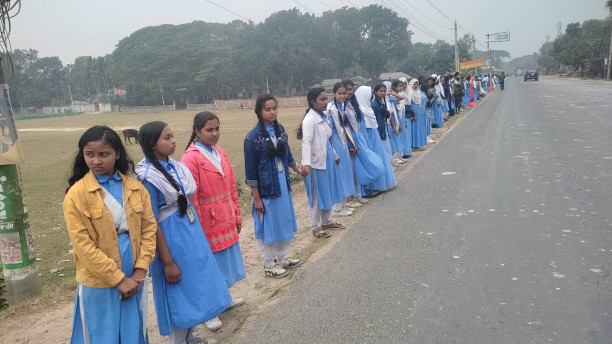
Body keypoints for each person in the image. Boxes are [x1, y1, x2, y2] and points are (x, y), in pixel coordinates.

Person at [135, 121, 230, 344]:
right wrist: (167, 261)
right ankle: (178, 341)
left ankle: (189, 337)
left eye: (172, 136)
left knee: (194, 285)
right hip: (171, 239)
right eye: (166, 138)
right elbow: (151, 223)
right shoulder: (147, 177)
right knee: (177, 291)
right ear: (151, 144)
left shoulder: (174, 166)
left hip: (189, 234)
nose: (173, 141)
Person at [63, 125, 157, 344]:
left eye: (103, 154)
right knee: (102, 335)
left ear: (117, 154)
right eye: (90, 155)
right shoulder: (76, 195)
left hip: (134, 277)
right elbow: (83, 246)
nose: (96, 161)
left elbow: (149, 229)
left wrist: (140, 270)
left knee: (134, 330)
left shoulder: (136, 188)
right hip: (99, 280)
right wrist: (118, 279)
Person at [181, 112, 246, 331]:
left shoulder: (220, 152)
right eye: (210, 130)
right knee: (209, 264)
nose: (215, 134)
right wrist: (197, 227)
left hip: (225, 214)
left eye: (217, 128)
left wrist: (236, 213)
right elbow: (192, 197)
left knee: (225, 261)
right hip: (207, 219)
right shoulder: (190, 158)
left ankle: (224, 299)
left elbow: (231, 186)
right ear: (197, 131)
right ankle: (210, 311)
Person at [244, 94, 304, 278]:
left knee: (284, 221)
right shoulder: (252, 139)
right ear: (259, 112)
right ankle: (269, 264)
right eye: (267, 109)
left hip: (282, 187)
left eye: (274, 108)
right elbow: (251, 173)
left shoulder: (281, 130)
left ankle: (282, 257)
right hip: (266, 191)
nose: (272, 112)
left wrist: (296, 168)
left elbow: (287, 155)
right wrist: (256, 198)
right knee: (267, 227)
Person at [297, 87, 343, 239]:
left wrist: (335, 155)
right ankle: (315, 226)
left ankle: (327, 221)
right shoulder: (310, 120)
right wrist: (306, 164)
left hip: (327, 159)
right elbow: (306, 142)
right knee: (316, 195)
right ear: (312, 102)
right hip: (316, 163)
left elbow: (327, 140)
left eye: (326, 99)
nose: (325, 102)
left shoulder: (324, 117)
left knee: (327, 190)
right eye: (322, 99)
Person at [355, 85, 396, 194]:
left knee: (380, 160)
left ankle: (379, 184)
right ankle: (371, 187)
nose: (370, 98)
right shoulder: (361, 110)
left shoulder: (368, 108)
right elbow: (363, 129)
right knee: (372, 162)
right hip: (368, 138)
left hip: (375, 136)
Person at [328, 82, 357, 217]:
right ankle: (338, 207)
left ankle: (343, 204)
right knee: (339, 175)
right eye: (340, 93)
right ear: (334, 94)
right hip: (336, 144)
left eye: (344, 93)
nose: (343, 96)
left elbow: (345, 127)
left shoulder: (342, 107)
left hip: (344, 143)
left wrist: (352, 143)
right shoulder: (331, 109)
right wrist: (333, 152)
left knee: (346, 173)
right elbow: (329, 132)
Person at [407, 79, 427, 149]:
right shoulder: (410, 93)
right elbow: (408, 104)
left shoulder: (418, 92)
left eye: (417, 84)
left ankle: (418, 143)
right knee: (414, 127)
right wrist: (412, 114)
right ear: (411, 84)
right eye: (414, 84)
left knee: (419, 127)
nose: (415, 86)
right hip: (413, 111)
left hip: (419, 111)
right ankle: (413, 144)